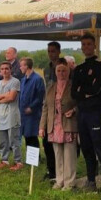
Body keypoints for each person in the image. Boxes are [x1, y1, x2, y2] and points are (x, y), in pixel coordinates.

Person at [71, 33, 101, 200]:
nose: (86, 47)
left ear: (94, 46)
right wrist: (85, 91)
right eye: (83, 45)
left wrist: (85, 90)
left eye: (89, 44)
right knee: (87, 148)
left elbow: (96, 89)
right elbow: (74, 92)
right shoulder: (79, 69)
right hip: (82, 113)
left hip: (96, 113)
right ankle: (91, 181)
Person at [39, 58, 78, 190]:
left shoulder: (74, 86)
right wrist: (41, 127)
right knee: (58, 154)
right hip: (54, 125)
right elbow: (45, 107)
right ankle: (59, 180)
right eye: (59, 71)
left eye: (64, 70)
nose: (61, 73)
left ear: (68, 71)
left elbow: (81, 103)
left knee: (69, 155)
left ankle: (69, 182)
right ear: (55, 72)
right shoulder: (50, 87)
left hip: (68, 124)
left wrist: (74, 110)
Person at [0, 61, 22, 170]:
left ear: (10, 70)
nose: (4, 71)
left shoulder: (15, 82)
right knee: (2, 140)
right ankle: (4, 160)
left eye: (6, 69)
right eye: (2, 69)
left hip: (12, 114)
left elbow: (11, 98)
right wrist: (4, 95)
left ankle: (18, 161)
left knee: (13, 140)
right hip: (0, 115)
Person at [40, 41, 61, 180]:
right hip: (48, 106)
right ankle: (50, 170)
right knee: (46, 141)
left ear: (59, 51)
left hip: (59, 107)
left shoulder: (63, 67)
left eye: (53, 51)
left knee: (59, 141)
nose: (51, 54)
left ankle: (60, 171)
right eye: (49, 51)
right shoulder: (46, 69)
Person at [19, 57, 46, 151]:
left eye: (21, 65)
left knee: (32, 136)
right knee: (26, 136)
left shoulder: (37, 79)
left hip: (33, 113)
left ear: (27, 66)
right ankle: (30, 158)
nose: (20, 68)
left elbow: (40, 96)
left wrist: (31, 107)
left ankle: (35, 159)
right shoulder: (23, 80)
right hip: (23, 113)